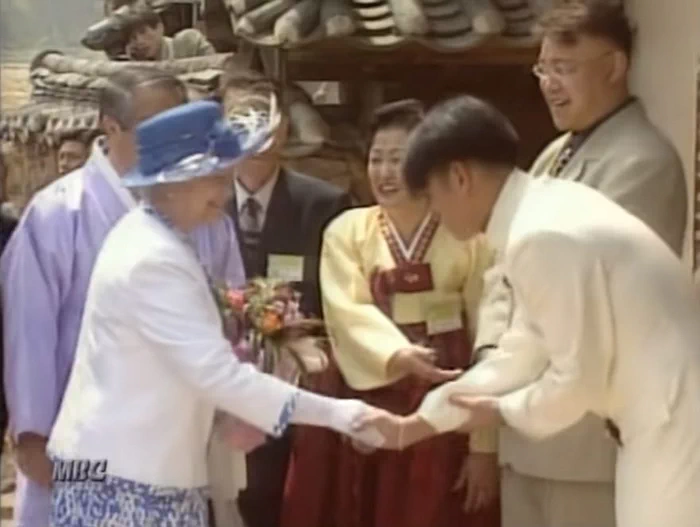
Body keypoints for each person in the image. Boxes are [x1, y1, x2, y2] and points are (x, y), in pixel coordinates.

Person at [358, 94, 700, 527]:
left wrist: (502, 412)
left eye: (432, 197)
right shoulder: (541, 210)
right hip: (661, 416)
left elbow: (577, 377)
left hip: (674, 418)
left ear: (460, 177)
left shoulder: (542, 234)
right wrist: (423, 421)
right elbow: (523, 349)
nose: (436, 214)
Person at [47, 100, 386, 525]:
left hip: (126, 467)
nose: (226, 193)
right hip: (125, 479)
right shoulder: (152, 258)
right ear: (172, 184)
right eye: (215, 180)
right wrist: (342, 414)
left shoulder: (154, 238)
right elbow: (217, 375)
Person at [469, 2, 688, 526]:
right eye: (543, 69)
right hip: (525, 420)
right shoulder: (553, 154)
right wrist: (491, 353)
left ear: (614, 67)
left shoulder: (644, 160)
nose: (549, 84)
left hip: (586, 437)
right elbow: (502, 272)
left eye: (565, 68)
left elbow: (582, 294)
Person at [0, 67, 244, 527]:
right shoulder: (57, 215)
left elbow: (233, 314)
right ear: (111, 129)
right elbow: (28, 332)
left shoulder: (209, 216)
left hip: (178, 443)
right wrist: (33, 435)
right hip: (83, 444)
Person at [283, 100, 501, 527]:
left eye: (397, 160)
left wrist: (484, 447)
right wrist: (396, 355)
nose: (383, 172)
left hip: (449, 388)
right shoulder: (348, 230)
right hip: (366, 387)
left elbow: (487, 335)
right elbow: (347, 310)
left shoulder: (469, 236)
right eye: (376, 159)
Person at [221, 69, 352, 527]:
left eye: (267, 119)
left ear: (286, 129)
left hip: (297, 390)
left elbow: (338, 299)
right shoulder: (203, 206)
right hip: (216, 389)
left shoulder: (325, 204)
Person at [122, 0, 215, 61]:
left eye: (143, 32)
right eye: (132, 37)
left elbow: (215, 64)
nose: (139, 41)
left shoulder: (189, 42)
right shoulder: (136, 62)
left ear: (159, 28)